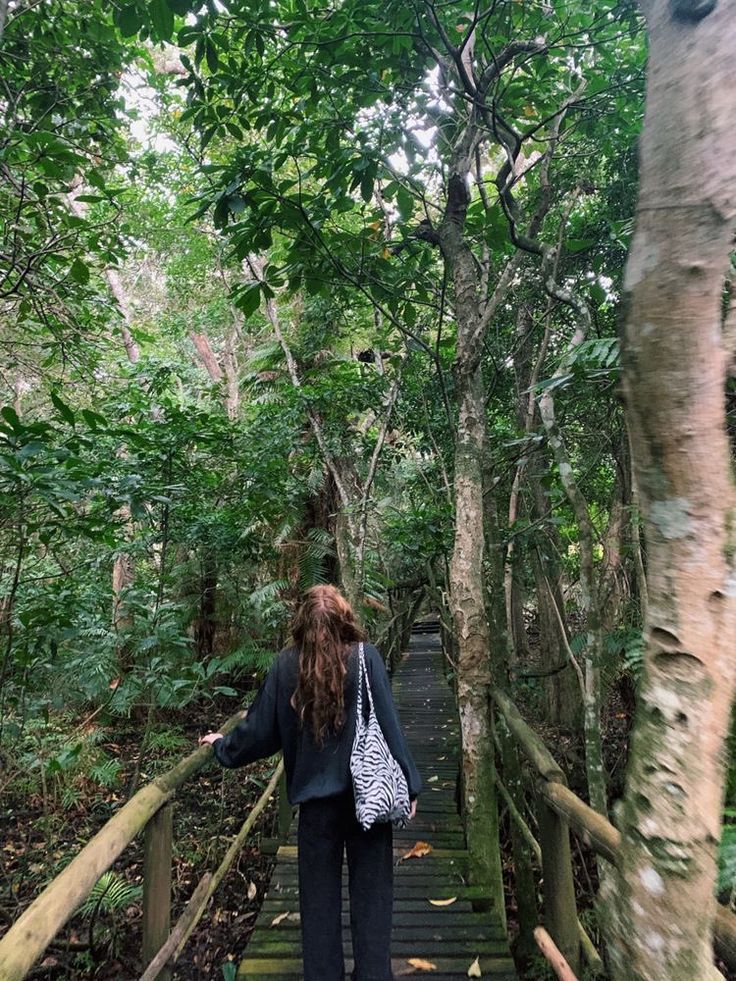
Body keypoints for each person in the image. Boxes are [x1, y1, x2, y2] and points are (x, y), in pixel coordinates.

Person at [199, 584, 421, 981]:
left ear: (301, 623)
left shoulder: (287, 666)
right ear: (345, 619)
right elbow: (390, 726)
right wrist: (410, 782)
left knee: (318, 907)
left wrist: (223, 747)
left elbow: (259, 732)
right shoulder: (366, 659)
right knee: (373, 902)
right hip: (368, 799)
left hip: (316, 809)